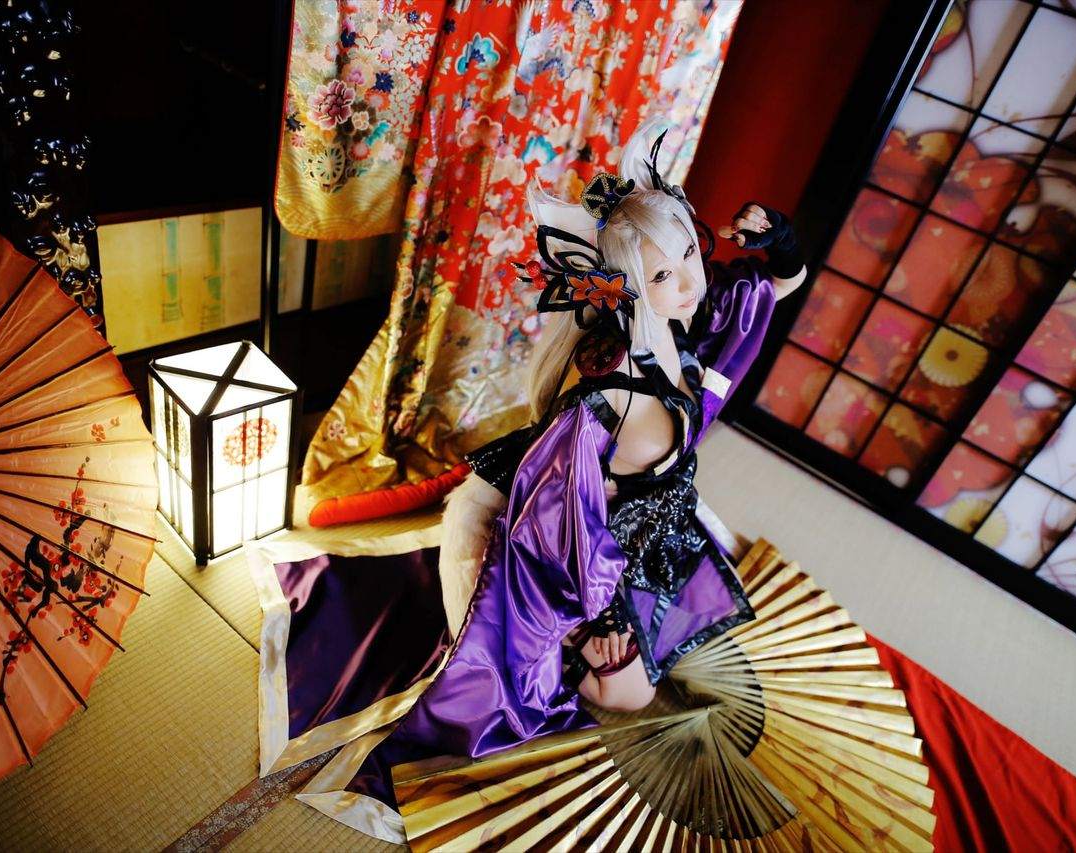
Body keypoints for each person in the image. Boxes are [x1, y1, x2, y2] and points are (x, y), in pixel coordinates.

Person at [255, 116, 811, 840]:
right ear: (624, 290)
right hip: (567, 537)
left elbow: (775, 285)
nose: (688, 281)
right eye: (661, 275)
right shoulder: (609, 403)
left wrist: (780, 241)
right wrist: (598, 624)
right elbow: (551, 535)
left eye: (687, 253)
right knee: (622, 692)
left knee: (674, 638)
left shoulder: (684, 322)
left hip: (644, 521)